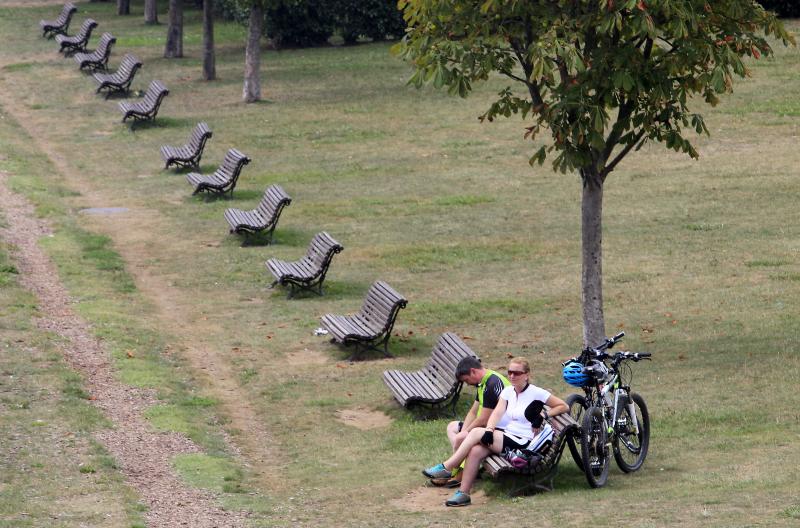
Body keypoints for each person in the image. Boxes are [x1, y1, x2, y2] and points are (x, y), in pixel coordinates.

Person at [422, 357, 569, 507]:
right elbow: (497, 413)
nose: (512, 376)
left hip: (524, 442)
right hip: (507, 436)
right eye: (510, 372)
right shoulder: (508, 392)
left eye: (517, 373)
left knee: (475, 433)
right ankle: (463, 494)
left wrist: (544, 415)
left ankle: (448, 467)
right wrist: (490, 429)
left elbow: (563, 406)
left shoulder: (536, 392)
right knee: (475, 451)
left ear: (526, 375)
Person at [432, 357, 510, 488]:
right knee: (452, 427)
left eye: (466, 380)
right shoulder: (483, 382)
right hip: (483, 426)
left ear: (473, 371)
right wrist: (463, 432)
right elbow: (473, 412)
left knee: (466, 439)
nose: (467, 384)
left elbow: (484, 419)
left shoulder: (492, 384)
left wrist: (466, 432)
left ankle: (456, 472)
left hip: (496, 429)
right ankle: (455, 469)